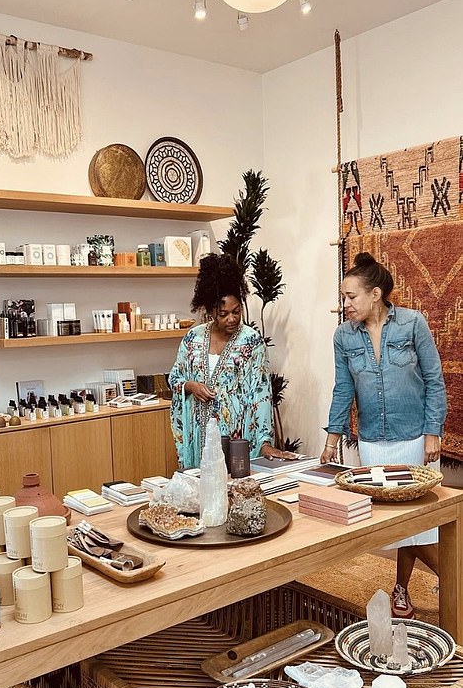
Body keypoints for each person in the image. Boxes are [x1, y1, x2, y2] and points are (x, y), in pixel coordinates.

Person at [321, 251, 447, 619]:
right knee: (392, 524)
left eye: (351, 296)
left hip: (413, 437)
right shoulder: (344, 336)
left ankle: (415, 586)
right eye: (343, 296)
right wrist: (333, 437)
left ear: (376, 294)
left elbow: (434, 381)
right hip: (373, 441)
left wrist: (432, 433)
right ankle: (426, 582)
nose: (345, 304)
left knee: (417, 523)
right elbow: (343, 388)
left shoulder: (412, 324)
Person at [169, 254, 293, 469]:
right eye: (223, 314)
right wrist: (191, 386)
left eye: (236, 311)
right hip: (200, 437)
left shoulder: (251, 341)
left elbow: (261, 392)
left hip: (237, 439)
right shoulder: (193, 338)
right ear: (210, 312)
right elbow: (175, 378)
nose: (232, 319)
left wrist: (264, 441)